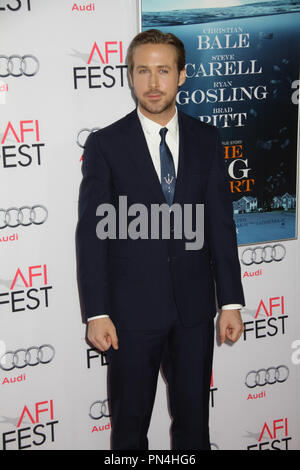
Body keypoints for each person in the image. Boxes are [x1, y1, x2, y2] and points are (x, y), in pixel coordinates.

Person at [76, 29, 245, 450]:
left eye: (164, 71)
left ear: (182, 76)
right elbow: (93, 235)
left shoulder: (207, 138)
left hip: (193, 313)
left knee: (194, 428)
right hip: (130, 317)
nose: (153, 83)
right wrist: (96, 312)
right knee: (130, 431)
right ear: (130, 76)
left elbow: (220, 224)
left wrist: (230, 302)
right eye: (143, 71)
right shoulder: (106, 144)